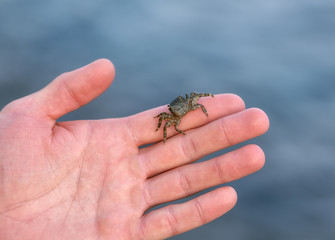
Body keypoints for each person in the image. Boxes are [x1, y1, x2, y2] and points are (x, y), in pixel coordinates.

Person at [0, 59, 269, 240]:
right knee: (168, 126)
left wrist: (206, 100)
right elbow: (166, 122)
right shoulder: (170, 115)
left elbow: (196, 97)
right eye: (173, 109)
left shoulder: (188, 101)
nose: (185, 105)